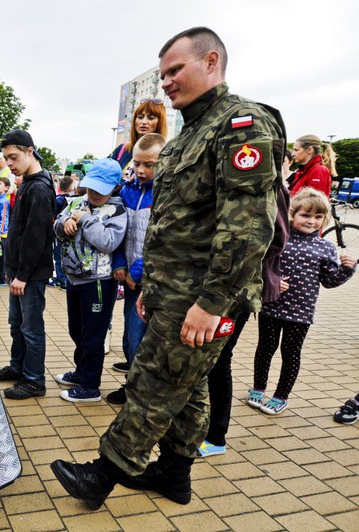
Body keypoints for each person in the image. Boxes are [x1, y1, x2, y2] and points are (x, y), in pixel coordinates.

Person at [51, 27, 285, 510]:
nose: (167, 83)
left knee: (153, 383)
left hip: (204, 297)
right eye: (163, 75)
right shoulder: (183, 138)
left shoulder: (242, 125)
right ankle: (174, 474)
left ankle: (103, 475)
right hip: (169, 292)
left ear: (212, 61)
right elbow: (170, 225)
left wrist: (210, 303)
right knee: (188, 385)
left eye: (176, 70)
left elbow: (246, 231)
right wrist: (152, 288)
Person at [198, 183, 290, 456]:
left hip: (233, 294)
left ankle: (216, 437)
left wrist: (251, 276)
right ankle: (199, 428)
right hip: (201, 289)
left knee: (218, 360)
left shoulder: (268, 185)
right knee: (201, 361)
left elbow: (276, 239)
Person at [249, 188, 355, 415]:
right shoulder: (278, 240)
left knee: (291, 353)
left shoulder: (326, 247)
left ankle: (281, 396)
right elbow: (261, 269)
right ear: (291, 215)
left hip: (300, 313)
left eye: (318, 217)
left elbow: (329, 281)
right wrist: (273, 282)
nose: (311, 221)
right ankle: (258, 388)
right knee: (265, 349)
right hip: (271, 306)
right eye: (306, 215)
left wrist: (347, 269)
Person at [53, 159, 127, 402]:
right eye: (91, 187)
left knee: (93, 335)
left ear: (115, 188)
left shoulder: (117, 210)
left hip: (99, 282)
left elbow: (108, 242)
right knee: (77, 330)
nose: (94, 194)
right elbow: (56, 223)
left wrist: (86, 219)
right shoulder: (77, 202)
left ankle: (90, 386)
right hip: (75, 279)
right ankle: (81, 372)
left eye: (101, 190)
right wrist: (65, 222)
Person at [0, 130, 55, 399]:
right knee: (17, 323)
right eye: (6, 158)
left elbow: (35, 236)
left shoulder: (39, 187)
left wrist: (23, 275)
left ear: (30, 151)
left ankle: (34, 379)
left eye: (13, 157)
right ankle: (19, 367)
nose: (9, 164)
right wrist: (11, 270)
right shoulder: (28, 182)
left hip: (31, 274)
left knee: (31, 327)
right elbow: (18, 233)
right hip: (20, 272)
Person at [106, 133, 165, 405]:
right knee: (130, 335)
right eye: (137, 163)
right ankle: (134, 384)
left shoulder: (166, 195)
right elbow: (121, 231)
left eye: (149, 164)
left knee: (141, 337)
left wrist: (136, 272)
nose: (141, 170)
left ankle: (140, 391)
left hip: (150, 281)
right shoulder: (128, 190)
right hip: (129, 278)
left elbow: (157, 240)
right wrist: (119, 263)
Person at [109, 99, 168, 176]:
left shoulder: (166, 154)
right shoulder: (123, 149)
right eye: (140, 117)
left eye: (151, 118)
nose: (143, 122)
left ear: (160, 122)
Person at [48, 175, 75, 290]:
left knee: (58, 257)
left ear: (59, 187)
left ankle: (61, 279)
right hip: (70, 234)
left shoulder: (57, 200)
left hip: (58, 234)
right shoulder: (74, 201)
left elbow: (52, 217)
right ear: (71, 189)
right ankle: (65, 278)